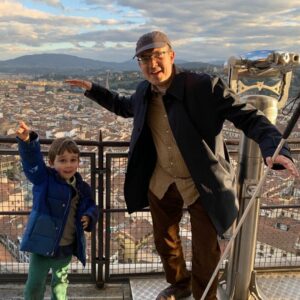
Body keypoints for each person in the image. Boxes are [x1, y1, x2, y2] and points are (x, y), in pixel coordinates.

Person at [65, 31, 299, 300]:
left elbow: (247, 116)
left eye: (157, 55)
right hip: (161, 178)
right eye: (144, 59)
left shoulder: (203, 86)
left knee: (205, 249)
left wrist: (274, 148)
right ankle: (179, 284)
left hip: (201, 181)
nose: (152, 64)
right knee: (164, 240)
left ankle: (204, 296)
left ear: (171, 56)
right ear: (139, 65)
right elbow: (124, 106)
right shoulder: (143, 92)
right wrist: (93, 90)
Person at [16, 121, 98, 300]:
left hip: (66, 247)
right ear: (52, 162)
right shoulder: (44, 179)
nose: (68, 165)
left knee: (60, 286)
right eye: (62, 160)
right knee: (34, 286)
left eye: (73, 160)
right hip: (41, 246)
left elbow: (91, 205)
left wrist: (89, 217)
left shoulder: (82, 187)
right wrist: (28, 142)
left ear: (78, 162)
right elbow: (32, 163)